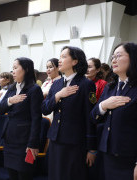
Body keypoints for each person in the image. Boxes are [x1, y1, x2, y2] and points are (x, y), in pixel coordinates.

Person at [90, 43, 137, 180]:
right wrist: (103, 105)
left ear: (133, 59)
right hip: (108, 154)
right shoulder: (110, 88)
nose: (114, 60)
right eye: (113, 57)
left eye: (118, 56)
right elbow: (93, 117)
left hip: (131, 158)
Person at [42, 46, 97, 180]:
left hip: (74, 142)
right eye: (60, 57)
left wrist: (92, 148)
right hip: (55, 139)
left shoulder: (85, 84)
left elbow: (90, 117)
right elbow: (44, 109)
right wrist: (57, 96)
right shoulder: (57, 83)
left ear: (75, 61)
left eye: (64, 57)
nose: (60, 60)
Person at [0, 57, 43, 180]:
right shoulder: (12, 88)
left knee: (24, 174)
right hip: (9, 137)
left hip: (24, 140)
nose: (13, 71)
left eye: (16, 68)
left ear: (26, 69)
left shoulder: (34, 89)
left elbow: (36, 118)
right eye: (12, 68)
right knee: (11, 174)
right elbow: (0, 110)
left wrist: (33, 143)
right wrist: (10, 101)